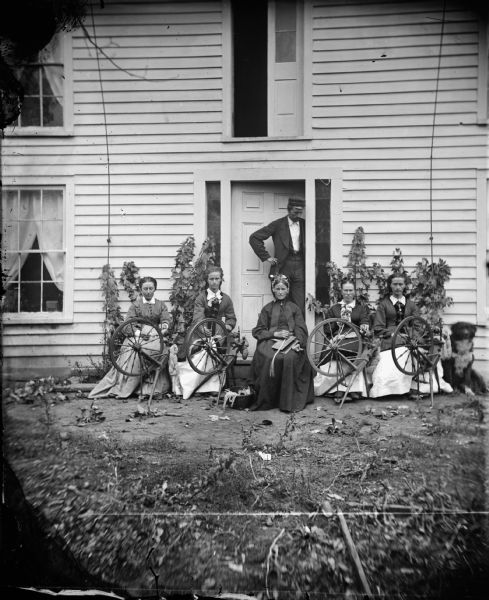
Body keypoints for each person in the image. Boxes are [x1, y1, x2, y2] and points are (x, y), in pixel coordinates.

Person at [89, 276, 171, 399]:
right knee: (131, 352)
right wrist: (138, 333)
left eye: (151, 288)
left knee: (154, 352)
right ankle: (125, 388)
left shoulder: (161, 305)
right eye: (145, 289)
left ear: (155, 289)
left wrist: (162, 329)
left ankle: (147, 388)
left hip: (156, 337)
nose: (148, 291)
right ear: (141, 290)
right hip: (137, 337)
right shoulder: (135, 305)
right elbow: (128, 324)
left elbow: (166, 321)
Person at [248, 274, 314, 412]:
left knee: (289, 358)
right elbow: (258, 330)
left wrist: (299, 342)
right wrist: (274, 334)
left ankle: (287, 402)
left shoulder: (295, 308)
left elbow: (301, 329)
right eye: (277, 288)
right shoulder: (267, 308)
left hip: (291, 342)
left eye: (283, 288)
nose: (280, 292)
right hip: (270, 341)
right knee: (268, 357)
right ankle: (269, 400)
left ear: (288, 290)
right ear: (273, 289)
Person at [314, 279, 370, 399]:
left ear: (354, 292)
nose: (348, 293)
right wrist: (336, 332)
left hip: (355, 339)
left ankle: (352, 389)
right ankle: (338, 388)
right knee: (336, 349)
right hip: (337, 339)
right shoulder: (334, 309)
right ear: (342, 291)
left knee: (347, 351)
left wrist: (364, 326)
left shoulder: (361, 308)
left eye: (350, 290)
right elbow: (328, 330)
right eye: (346, 290)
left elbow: (364, 322)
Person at [249, 197, 306, 313]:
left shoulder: (305, 225)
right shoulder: (278, 224)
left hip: (300, 265)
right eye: (295, 211)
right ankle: (282, 328)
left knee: (300, 303)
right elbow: (254, 238)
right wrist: (266, 257)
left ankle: (297, 329)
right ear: (289, 209)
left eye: (300, 211)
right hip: (284, 265)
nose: (298, 214)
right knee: (282, 299)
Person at [369, 272, 419, 398]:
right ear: (390, 286)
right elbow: (378, 328)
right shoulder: (384, 305)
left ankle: (408, 388)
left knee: (411, 351)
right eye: (395, 284)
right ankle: (388, 390)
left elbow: (417, 325)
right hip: (389, 340)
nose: (397, 287)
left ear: (404, 286)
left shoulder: (411, 305)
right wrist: (392, 333)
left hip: (409, 339)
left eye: (400, 284)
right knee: (393, 355)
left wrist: (412, 337)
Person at [192, 266, 236, 331]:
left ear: (221, 279)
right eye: (211, 279)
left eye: (217, 278)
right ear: (207, 280)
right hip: (203, 334)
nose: (214, 282)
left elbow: (231, 318)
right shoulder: (201, 298)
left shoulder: (226, 299)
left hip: (221, 335)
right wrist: (203, 329)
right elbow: (198, 318)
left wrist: (228, 326)